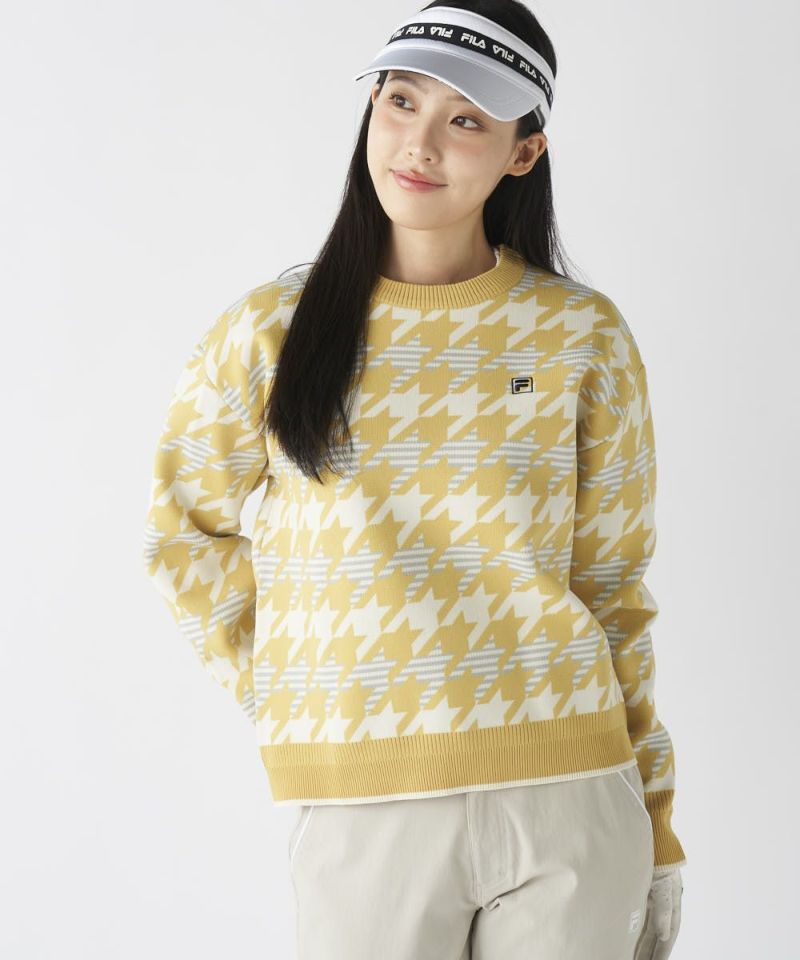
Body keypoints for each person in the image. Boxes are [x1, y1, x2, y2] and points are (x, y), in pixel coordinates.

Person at [141, 2, 686, 957]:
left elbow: (612, 592)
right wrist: (294, 689)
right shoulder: (267, 331)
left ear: (523, 153)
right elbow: (184, 534)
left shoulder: (580, 334)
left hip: (572, 795)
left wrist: (660, 825)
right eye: (401, 101)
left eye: (466, 119)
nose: (420, 143)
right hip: (363, 807)